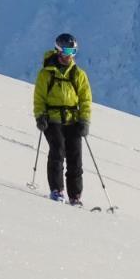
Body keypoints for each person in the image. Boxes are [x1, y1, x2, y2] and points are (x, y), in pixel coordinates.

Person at [33, 33, 93, 205]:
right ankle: (57, 190)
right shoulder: (46, 74)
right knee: (57, 151)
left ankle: (75, 196)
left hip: (73, 120)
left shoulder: (78, 75)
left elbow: (85, 99)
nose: (70, 55)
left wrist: (84, 121)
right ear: (58, 50)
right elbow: (39, 97)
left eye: (73, 51)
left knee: (75, 158)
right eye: (67, 50)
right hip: (52, 120)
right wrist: (40, 116)